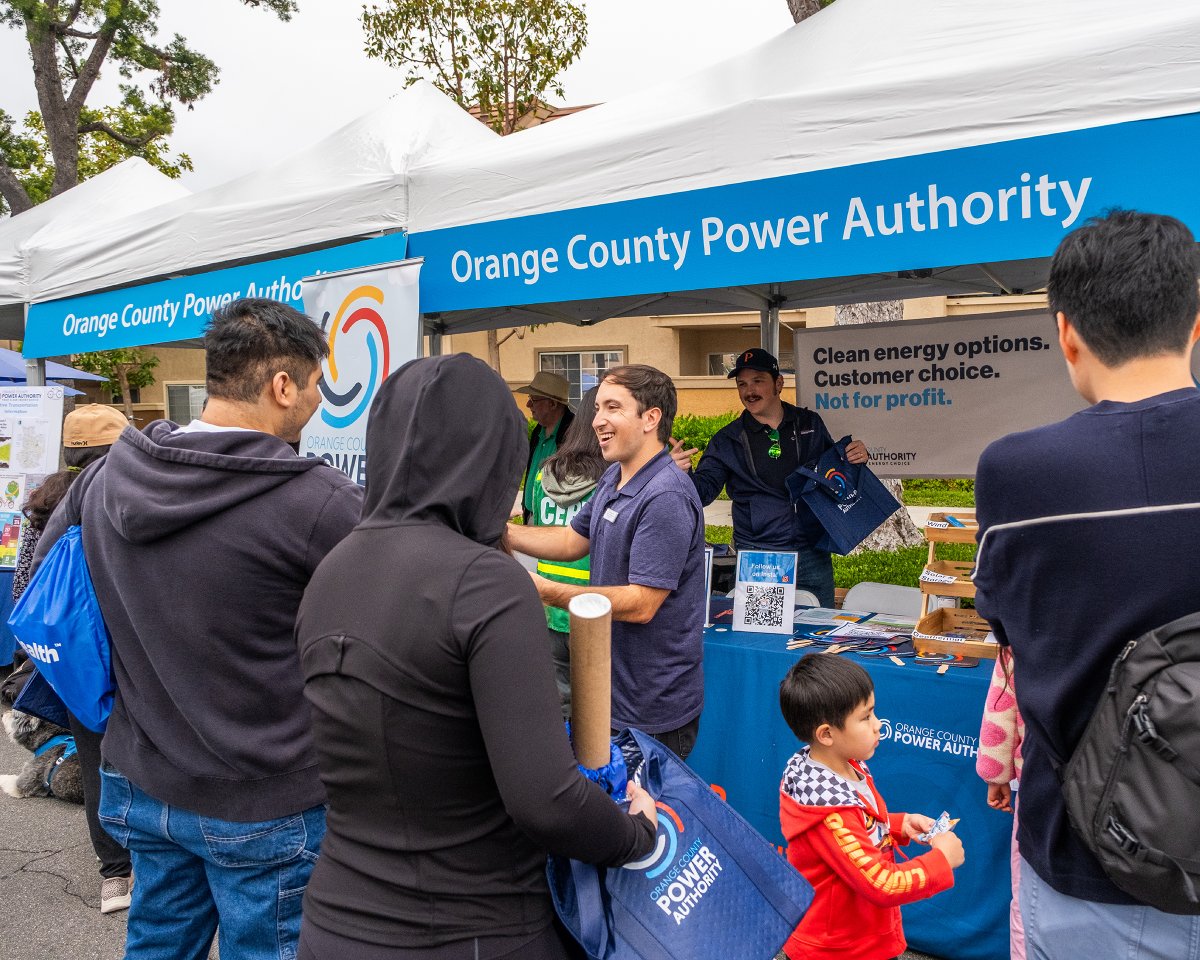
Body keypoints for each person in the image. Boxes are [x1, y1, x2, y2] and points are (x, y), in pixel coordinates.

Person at [294, 354, 655, 960]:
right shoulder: (485, 583)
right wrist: (636, 834)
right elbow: (548, 802)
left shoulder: (332, 568)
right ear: (492, 459)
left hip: (337, 918)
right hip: (473, 925)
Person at [35, 299, 363, 960]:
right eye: (315, 387)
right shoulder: (319, 502)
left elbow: (47, 591)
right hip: (265, 797)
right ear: (281, 386)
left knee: (156, 946)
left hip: (142, 778)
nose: (318, 406)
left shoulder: (104, 478)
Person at [973, 209, 1200, 958]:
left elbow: (1009, 638)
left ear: (1066, 331)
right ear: (1195, 320)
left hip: (1089, 859)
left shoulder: (1017, 473)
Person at [506, 365, 706, 760]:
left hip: (650, 707)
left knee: (644, 816)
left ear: (651, 418)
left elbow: (642, 603)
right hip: (608, 690)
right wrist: (498, 533)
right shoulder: (614, 476)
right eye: (597, 408)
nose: (597, 420)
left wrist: (545, 591)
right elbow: (570, 539)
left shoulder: (665, 495)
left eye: (613, 407)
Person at [13, 403, 134, 913]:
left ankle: (115, 876)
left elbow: (26, 583)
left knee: (92, 759)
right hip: (126, 647)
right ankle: (154, 856)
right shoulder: (125, 489)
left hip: (73, 656)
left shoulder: (42, 501)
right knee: (139, 755)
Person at [777, 653, 963, 960]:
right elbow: (882, 883)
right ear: (826, 734)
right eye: (865, 718)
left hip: (860, 934)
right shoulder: (830, 812)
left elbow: (860, 823)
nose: (878, 726)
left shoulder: (845, 765)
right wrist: (941, 860)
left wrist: (898, 824)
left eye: (873, 713)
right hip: (839, 949)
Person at [670, 348, 868, 607]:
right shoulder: (727, 439)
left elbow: (834, 472)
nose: (749, 391)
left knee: (819, 631)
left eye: (757, 381)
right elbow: (703, 493)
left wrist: (856, 456)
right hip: (758, 556)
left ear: (778, 383)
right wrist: (682, 474)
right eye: (742, 384)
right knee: (762, 632)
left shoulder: (809, 424)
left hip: (811, 553)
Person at [527, 385, 603, 716]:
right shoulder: (614, 481)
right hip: (596, 610)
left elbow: (533, 515)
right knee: (598, 714)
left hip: (550, 606)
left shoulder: (547, 471)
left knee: (560, 708)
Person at [976, 648, 1025, 960]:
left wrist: (995, 771)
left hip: (1043, 781)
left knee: (1027, 898)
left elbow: (1003, 694)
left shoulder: (1036, 604)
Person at [517, 371, 574, 522]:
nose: (528, 404)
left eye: (534, 399)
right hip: (531, 513)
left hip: (556, 519)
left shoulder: (574, 433)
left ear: (553, 403)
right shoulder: (538, 431)